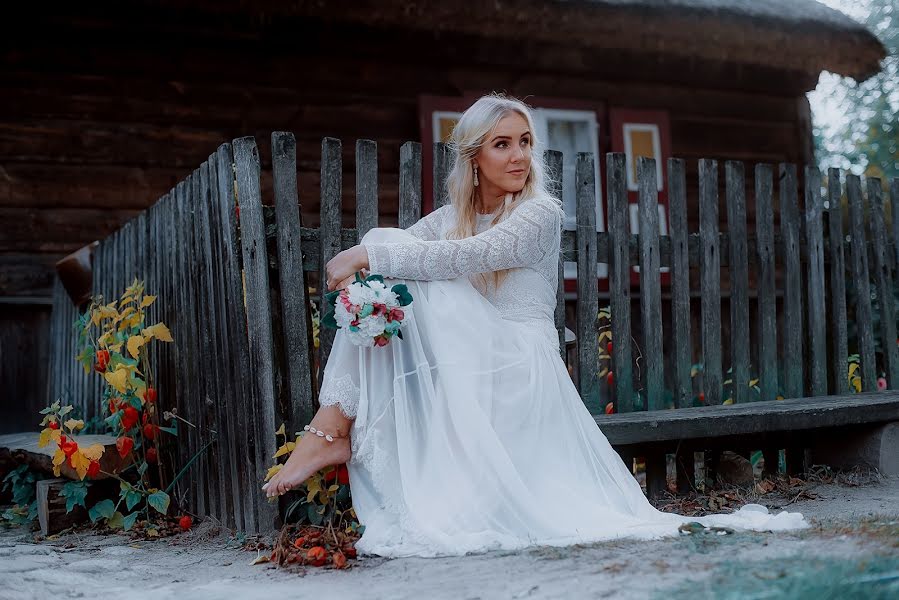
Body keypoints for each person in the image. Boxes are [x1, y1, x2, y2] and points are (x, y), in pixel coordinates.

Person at [262, 93, 808, 557]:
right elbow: (415, 243)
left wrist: (367, 252)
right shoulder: (456, 215)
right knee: (383, 280)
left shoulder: (539, 213)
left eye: (525, 141)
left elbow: (455, 261)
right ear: (475, 158)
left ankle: (328, 431)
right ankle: (331, 429)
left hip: (521, 358)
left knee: (401, 271)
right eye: (503, 144)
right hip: (474, 354)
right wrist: (372, 253)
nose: (520, 155)